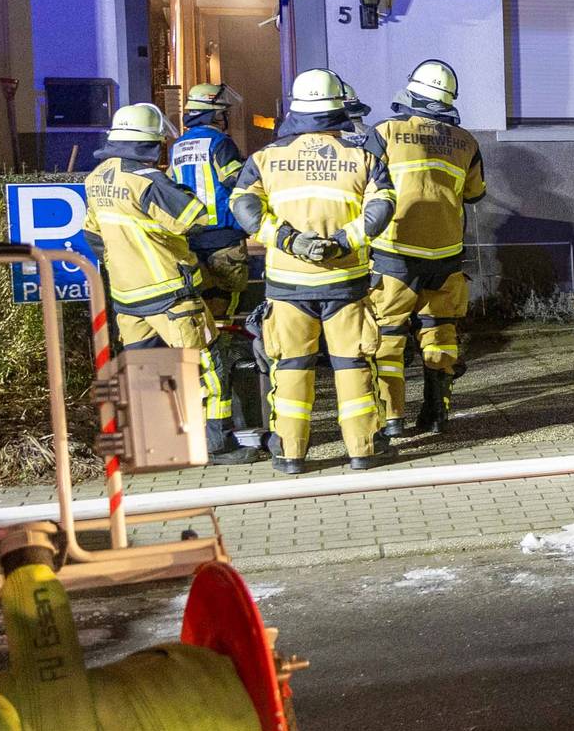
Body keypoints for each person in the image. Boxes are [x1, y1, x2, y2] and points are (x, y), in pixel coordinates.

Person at [232, 69, 397, 474]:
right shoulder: (363, 158)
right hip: (346, 284)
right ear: (338, 109)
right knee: (353, 364)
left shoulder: (264, 159)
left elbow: (243, 207)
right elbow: (383, 207)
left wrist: (290, 241)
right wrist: (343, 240)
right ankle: (363, 450)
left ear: (296, 109)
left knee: (290, 367)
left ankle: (289, 454)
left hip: (287, 286)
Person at [82, 102, 262, 465]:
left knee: (144, 369)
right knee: (210, 363)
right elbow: (191, 217)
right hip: (168, 292)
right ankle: (218, 444)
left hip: (127, 297)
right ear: (149, 143)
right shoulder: (149, 181)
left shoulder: (97, 177)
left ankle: (154, 445)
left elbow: (93, 235)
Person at [369, 60, 488, 438]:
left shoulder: (385, 132)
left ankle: (391, 420)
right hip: (447, 255)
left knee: (388, 336)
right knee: (440, 331)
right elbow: (475, 193)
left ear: (412, 92)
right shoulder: (466, 141)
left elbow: (361, 186)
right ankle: (437, 413)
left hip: (394, 253)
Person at [169, 83, 259, 449]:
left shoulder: (177, 146)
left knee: (204, 313)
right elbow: (236, 182)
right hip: (223, 239)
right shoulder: (220, 144)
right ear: (215, 113)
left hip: (192, 240)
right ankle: (227, 390)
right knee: (226, 315)